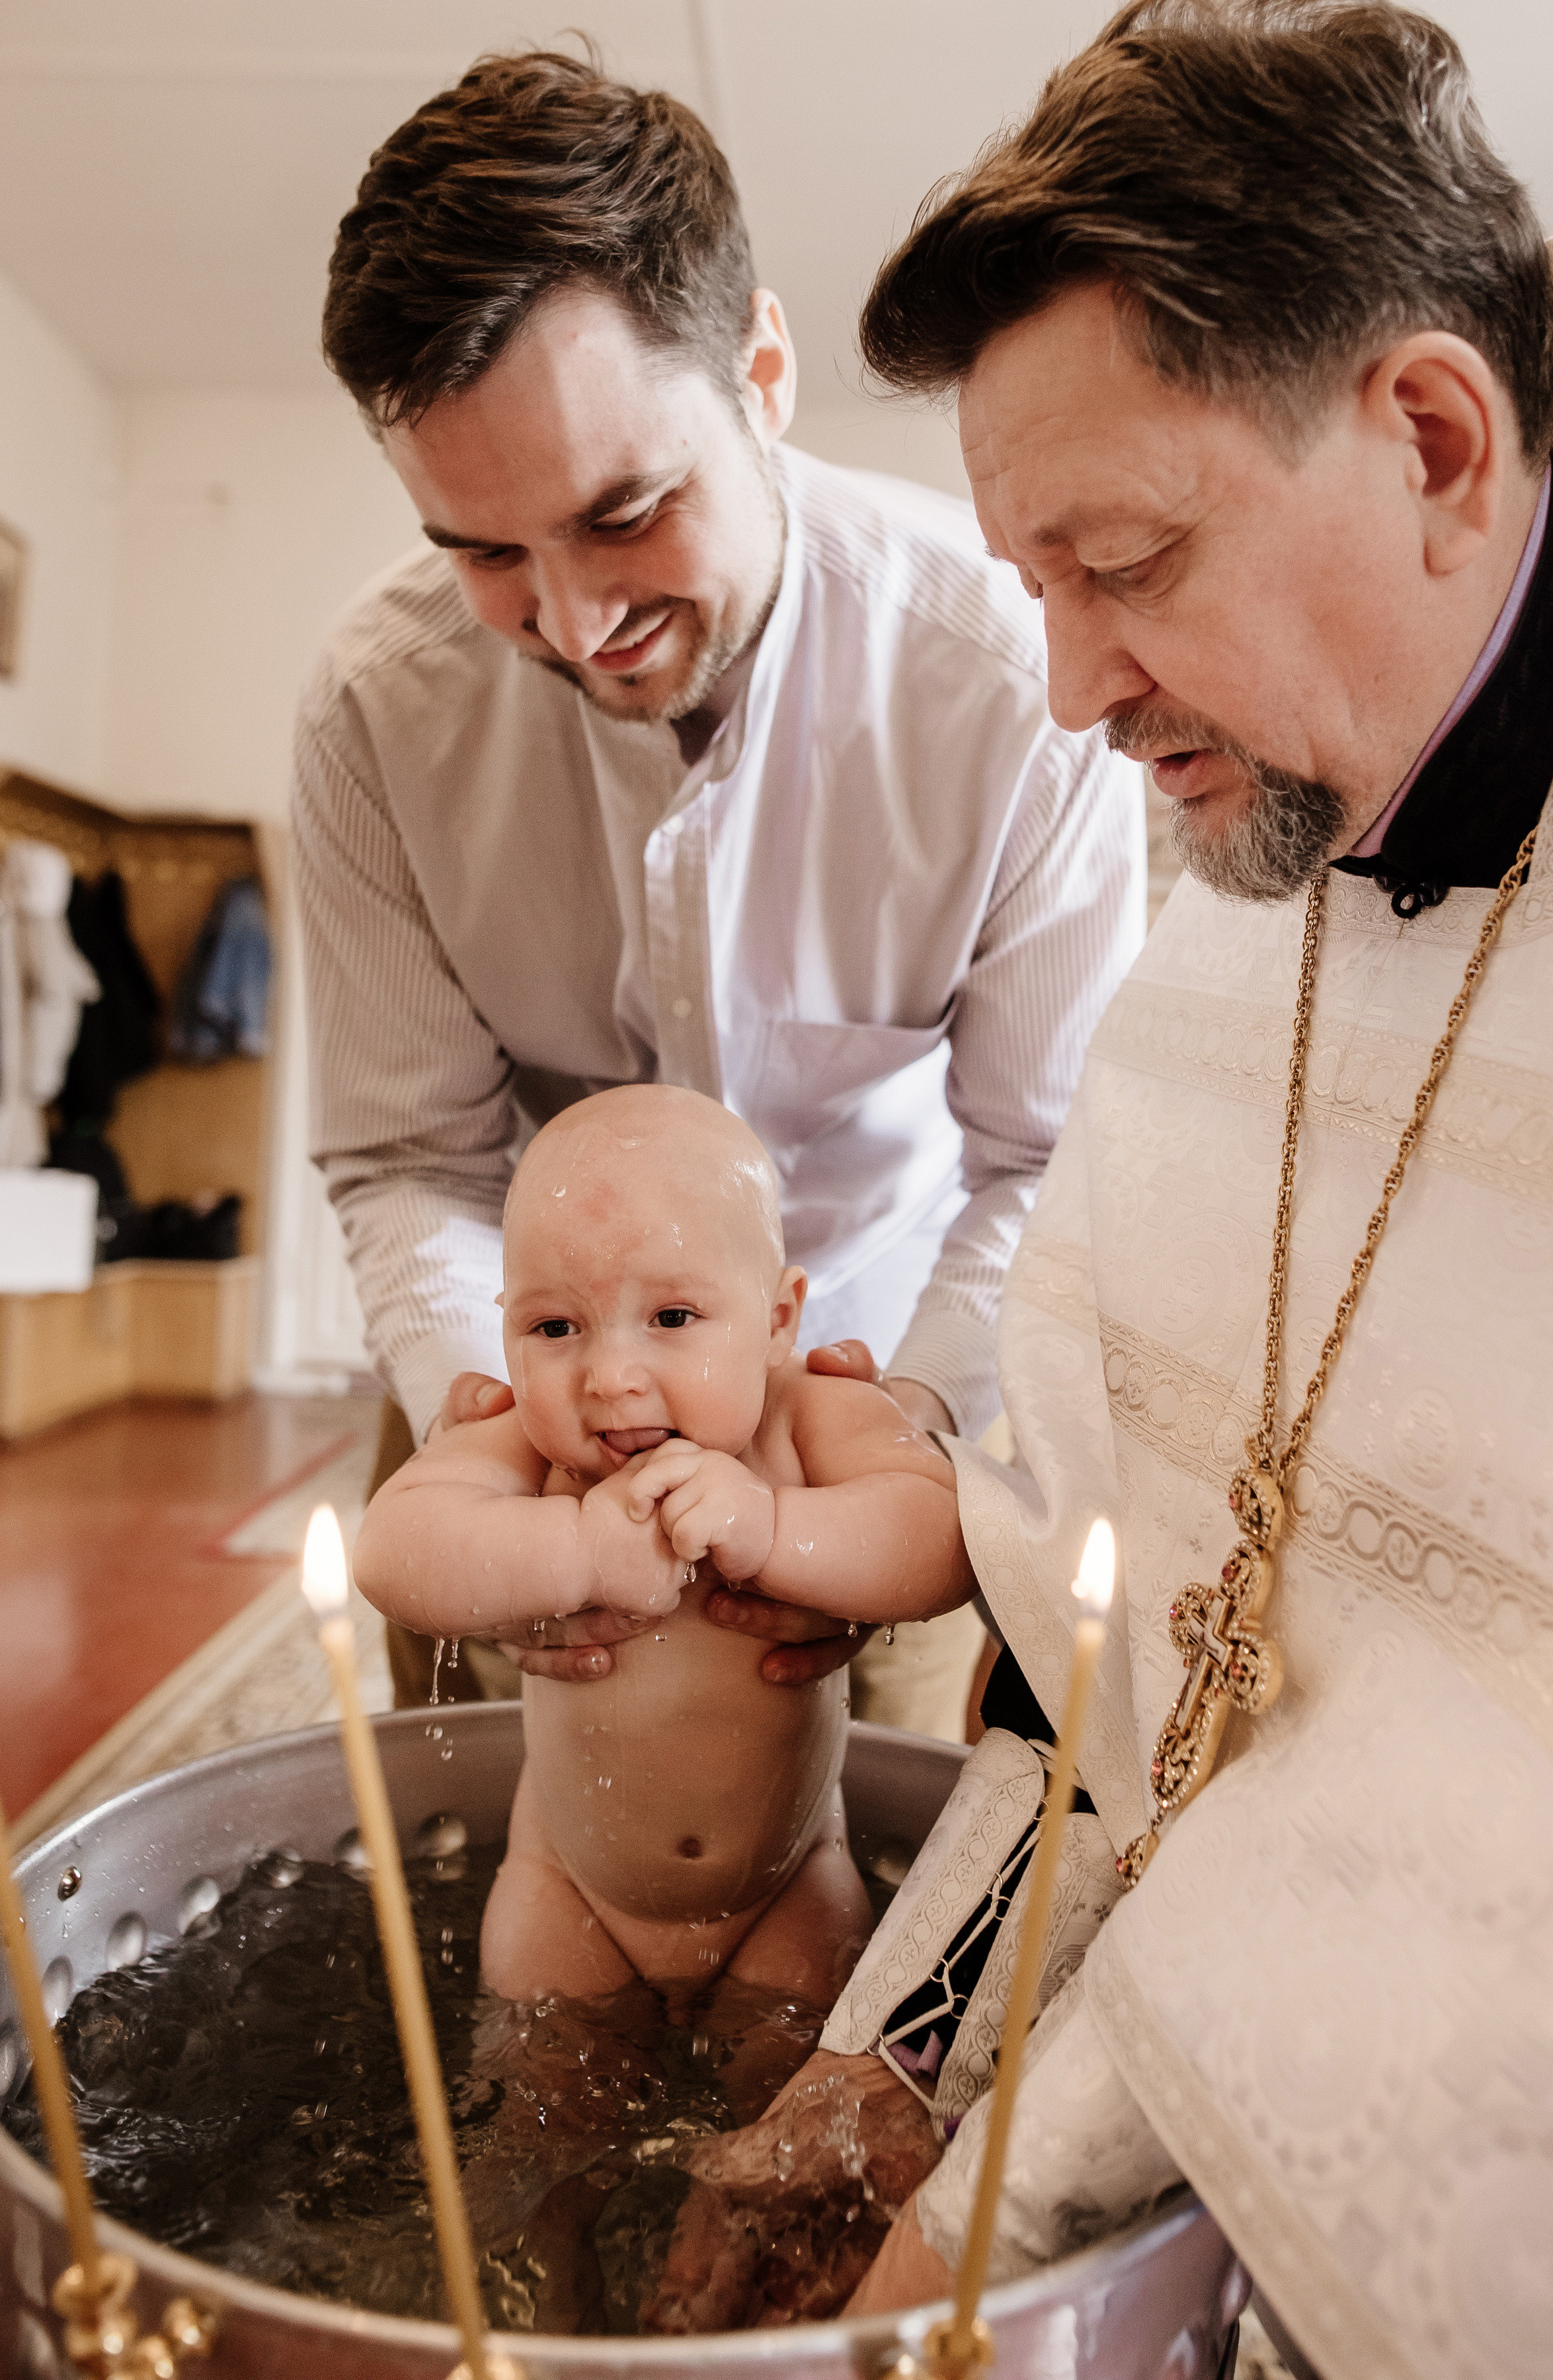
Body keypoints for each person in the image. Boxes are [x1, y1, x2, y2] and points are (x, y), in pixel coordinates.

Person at [635, 6, 1553, 2370]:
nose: (1069, 689)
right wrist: (894, 2063)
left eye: (1129, 562)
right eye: (1027, 584)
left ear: (1440, 442)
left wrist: (997, 2184)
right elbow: (1122, 1662)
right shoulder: (1225, 907)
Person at [294, 47, 1144, 1736]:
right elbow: (411, 1153)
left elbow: (1042, 1159)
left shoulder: (1004, 681)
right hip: (503, 1401)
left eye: (625, 510)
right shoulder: (373, 715)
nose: (573, 617)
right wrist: (517, 1450)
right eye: (483, 552)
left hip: (874, 1395)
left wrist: (886, 1443)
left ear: (761, 369)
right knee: (478, 1877)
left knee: (853, 1903)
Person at [354, 1085, 973, 2018]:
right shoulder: (530, 1445)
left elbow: (940, 1541)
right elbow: (394, 1550)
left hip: (789, 1889)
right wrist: (577, 1549)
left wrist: (774, 1528)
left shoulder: (813, 1416)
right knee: (541, 2122)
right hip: (569, 1891)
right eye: (554, 1328)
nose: (609, 1379)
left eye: (673, 1319)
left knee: (798, 2117)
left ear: (776, 1321)